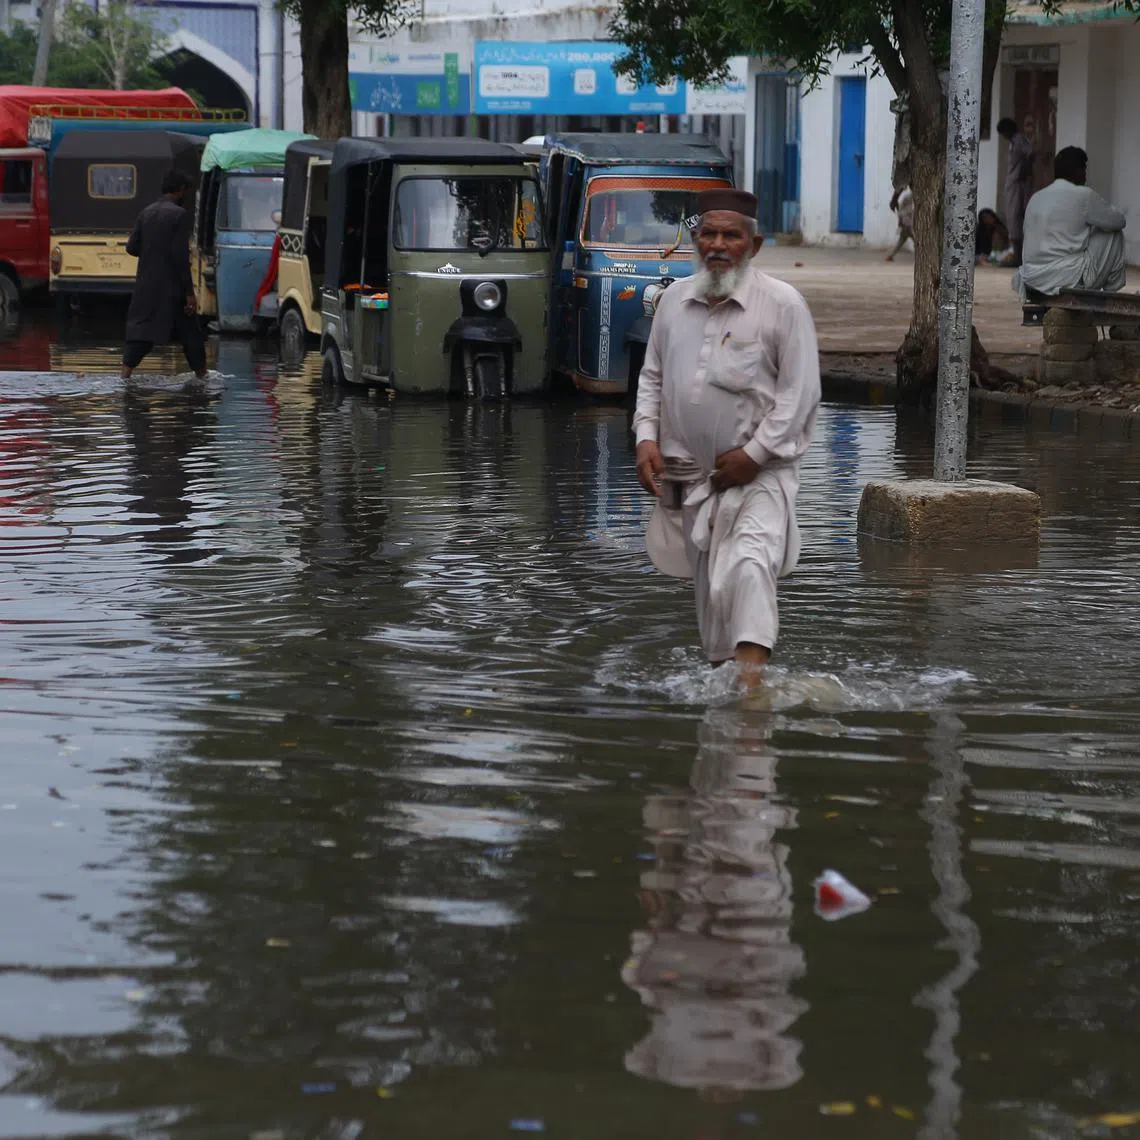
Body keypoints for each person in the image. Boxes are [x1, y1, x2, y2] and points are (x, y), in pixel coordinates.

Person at [632, 187, 820, 685]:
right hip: (693, 480)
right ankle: (728, 701)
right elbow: (652, 377)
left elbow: (801, 394)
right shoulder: (673, 302)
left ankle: (751, 703)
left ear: (753, 246)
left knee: (750, 567)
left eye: (731, 236)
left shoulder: (783, 305)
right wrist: (645, 437)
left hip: (761, 477)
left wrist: (755, 454)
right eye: (709, 234)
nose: (717, 245)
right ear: (696, 241)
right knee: (714, 606)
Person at [121, 169, 206, 380]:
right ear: (181, 190)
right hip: (172, 289)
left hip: (146, 287)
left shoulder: (146, 212)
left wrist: (152, 252)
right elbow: (180, 256)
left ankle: (124, 376)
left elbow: (131, 247)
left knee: (141, 334)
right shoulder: (179, 215)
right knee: (191, 336)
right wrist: (189, 293)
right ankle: (203, 377)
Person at [1014, 145, 1127, 300]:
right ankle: (1110, 293)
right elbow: (1119, 221)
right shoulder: (1083, 195)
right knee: (1113, 233)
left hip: (1032, 277)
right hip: (1066, 277)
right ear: (1077, 171)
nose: (1085, 176)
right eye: (1084, 170)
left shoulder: (1036, 197)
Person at [997, 117, 1035, 266]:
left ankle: (1019, 256)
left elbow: (1029, 155)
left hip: (1018, 183)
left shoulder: (1019, 141)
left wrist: (1023, 174)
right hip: (1013, 183)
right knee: (1012, 218)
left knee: (1015, 218)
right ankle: (1016, 254)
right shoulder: (1013, 142)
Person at [885, 184, 914, 262]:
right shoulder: (908, 201)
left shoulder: (905, 206)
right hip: (908, 225)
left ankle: (891, 256)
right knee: (916, 240)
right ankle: (922, 254)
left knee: (901, 241)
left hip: (906, 225)